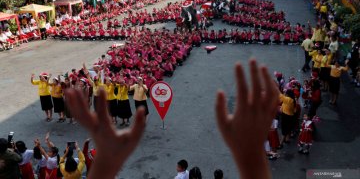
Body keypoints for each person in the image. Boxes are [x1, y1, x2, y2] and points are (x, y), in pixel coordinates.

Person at [65, 59, 278, 179]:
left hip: (131, 101)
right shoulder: (123, 85)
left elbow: (138, 88)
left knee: (136, 112)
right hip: (127, 100)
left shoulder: (139, 84)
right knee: (128, 112)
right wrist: (251, 160)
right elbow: (123, 84)